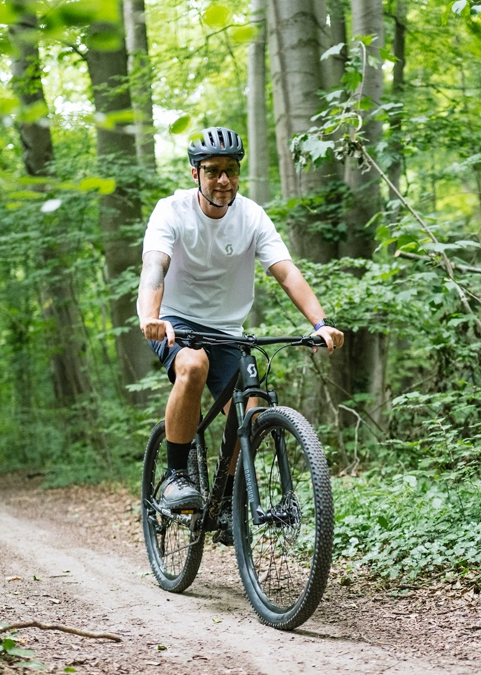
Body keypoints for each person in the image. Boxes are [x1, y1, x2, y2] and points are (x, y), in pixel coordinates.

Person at [136, 127, 345, 514]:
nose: (223, 180)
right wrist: (150, 316)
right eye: (213, 170)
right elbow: (155, 267)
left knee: (250, 408)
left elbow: (286, 271)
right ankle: (175, 476)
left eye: (230, 170)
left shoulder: (251, 216)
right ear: (195, 173)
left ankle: (227, 497)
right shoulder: (172, 210)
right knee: (193, 364)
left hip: (227, 331)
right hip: (173, 322)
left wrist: (321, 323)